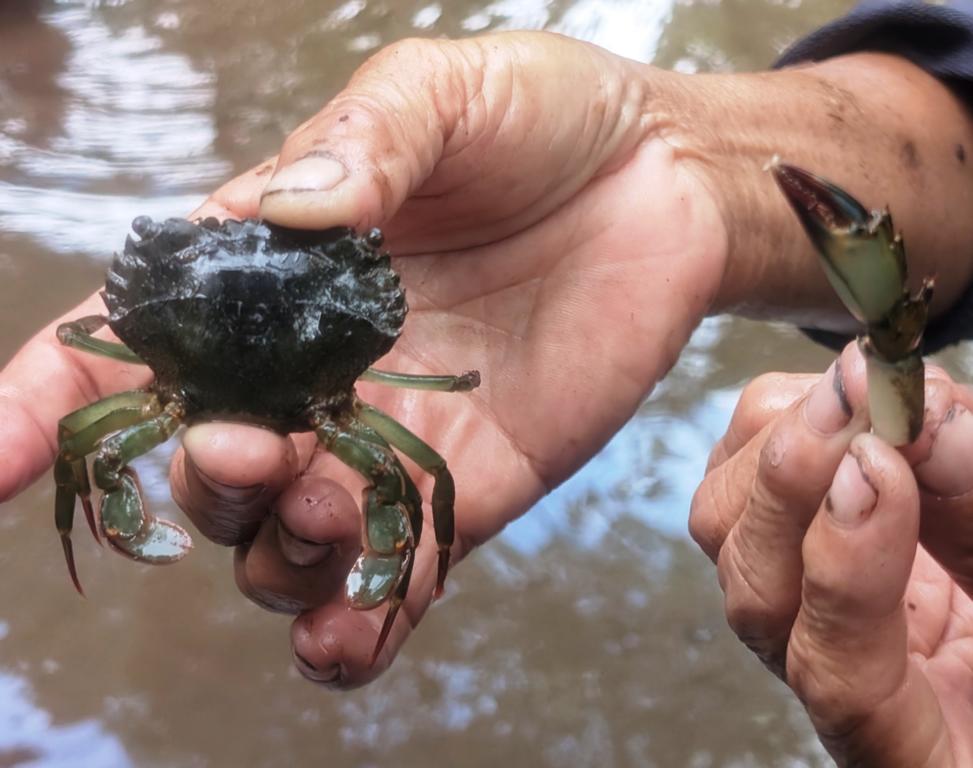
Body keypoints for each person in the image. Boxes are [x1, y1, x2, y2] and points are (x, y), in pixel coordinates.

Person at [2, 3, 973, 765]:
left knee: (122, 447)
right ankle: (381, 563)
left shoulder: (141, 344)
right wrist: (680, 161)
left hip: (189, 393)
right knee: (388, 482)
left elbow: (93, 438)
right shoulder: (373, 345)